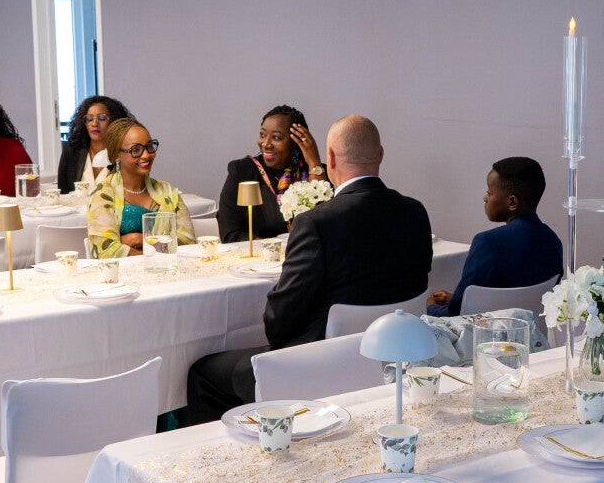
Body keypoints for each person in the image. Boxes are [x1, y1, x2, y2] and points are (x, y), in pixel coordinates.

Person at [184, 116, 432, 423]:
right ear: (380, 154)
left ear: (330, 159)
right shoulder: (415, 212)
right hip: (394, 354)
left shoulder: (317, 222)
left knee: (202, 373)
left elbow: (279, 321)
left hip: (318, 366)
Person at [428, 156, 563, 316]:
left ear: (512, 202)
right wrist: (457, 299)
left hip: (488, 330)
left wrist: (430, 307)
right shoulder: (553, 241)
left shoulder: (488, 243)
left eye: (489, 192)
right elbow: (518, 299)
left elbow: (456, 315)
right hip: (529, 328)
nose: (485, 198)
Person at [85, 116, 198, 258]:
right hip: (123, 271)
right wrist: (161, 248)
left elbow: (189, 242)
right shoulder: (103, 194)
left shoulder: (168, 192)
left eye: (149, 146)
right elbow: (105, 251)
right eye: (136, 150)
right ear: (117, 155)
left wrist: (138, 239)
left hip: (169, 268)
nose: (146, 155)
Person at [216, 104, 327, 243]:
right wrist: (272, 249)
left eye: (277, 138)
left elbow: (326, 226)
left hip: (307, 253)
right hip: (260, 256)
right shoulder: (242, 172)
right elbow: (230, 233)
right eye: (262, 135)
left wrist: (314, 163)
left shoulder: (313, 172)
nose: (266, 144)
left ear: (296, 142)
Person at [55, 94, 129, 194]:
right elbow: (63, 193)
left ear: (114, 121)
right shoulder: (72, 150)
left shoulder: (124, 152)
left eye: (102, 118)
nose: (94, 124)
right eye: (89, 119)